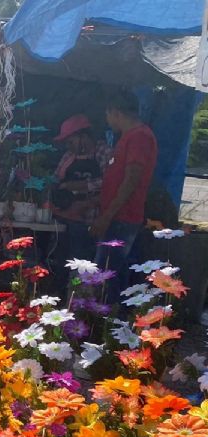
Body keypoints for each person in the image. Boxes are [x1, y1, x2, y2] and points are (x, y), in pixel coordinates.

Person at [91, 90, 158, 303]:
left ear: (115, 112)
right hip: (117, 217)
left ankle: (107, 325)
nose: (107, 120)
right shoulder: (128, 138)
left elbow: (131, 181)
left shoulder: (139, 137)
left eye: (107, 115)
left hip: (121, 219)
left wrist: (106, 216)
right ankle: (105, 323)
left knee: (108, 277)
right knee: (107, 274)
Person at [51, 114, 110, 261]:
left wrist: (83, 186)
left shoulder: (104, 152)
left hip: (90, 222)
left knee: (80, 262)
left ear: (83, 137)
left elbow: (111, 183)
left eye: (70, 142)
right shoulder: (68, 156)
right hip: (64, 219)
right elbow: (55, 179)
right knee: (58, 259)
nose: (68, 146)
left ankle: (78, 284)